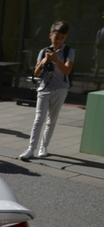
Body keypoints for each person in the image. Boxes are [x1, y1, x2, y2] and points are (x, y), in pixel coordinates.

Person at [19, 21, 74, 160]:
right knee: (39, 119)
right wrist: (44, 61)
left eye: (61, 38)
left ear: (65, 38)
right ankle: (31, 149)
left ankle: (44, 146)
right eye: (56, 38)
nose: (58, 41)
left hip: (60, 89)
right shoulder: (44, 51)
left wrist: (55, 60)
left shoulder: (69, 51)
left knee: (51, 120)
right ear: (50, 36)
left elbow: (67, 70)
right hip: (44, 88)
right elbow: (36, 73)